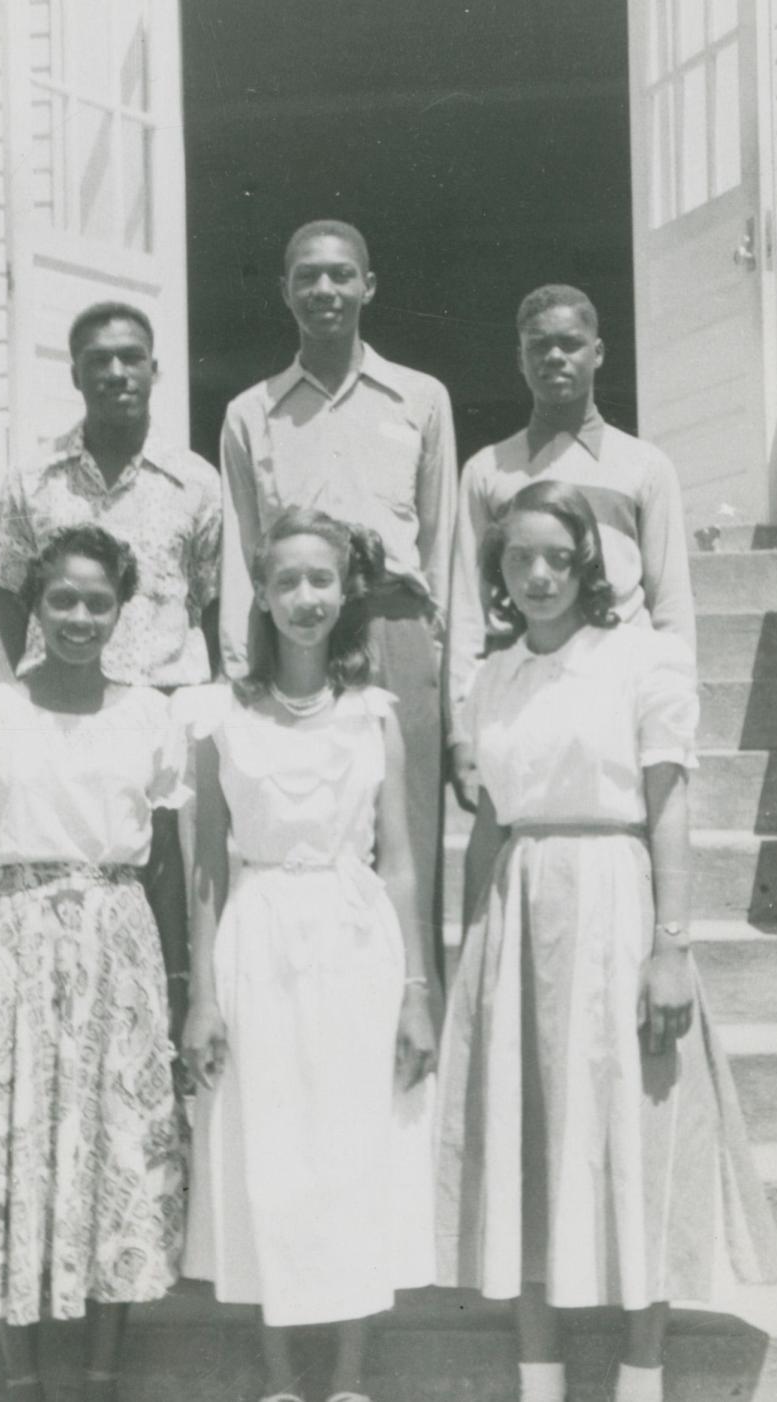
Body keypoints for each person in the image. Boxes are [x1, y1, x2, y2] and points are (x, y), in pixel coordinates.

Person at [435, 483, 777, 1402]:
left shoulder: (642, 661)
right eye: (519, 558)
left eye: (557, 555)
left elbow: (669, 807)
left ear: (588, 560)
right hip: (519, 911)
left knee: (639, 1127)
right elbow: (488, 825)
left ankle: (642, 1369)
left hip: (618, 899)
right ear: (498, 570)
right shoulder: (494, 677)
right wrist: (471, 946)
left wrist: (673, 946)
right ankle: (538, 1372)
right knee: (528, 1132)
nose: (539, 574)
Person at [0, 526, 191, 1402]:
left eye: (98, 601)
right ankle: (19, 1379)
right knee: (9, 1146)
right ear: (33, 603)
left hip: (122, 943)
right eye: (62, 597)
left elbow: (168, 865)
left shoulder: (149, 714)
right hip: (17, 946)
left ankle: (101, 1375)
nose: (79, 616)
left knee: (118, 1153)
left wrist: (174, 987)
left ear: (120, 609)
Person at [179, 507, 437, 1402]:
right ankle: (284, 1381)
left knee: (351, 1152)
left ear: (344, 593)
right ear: (263, 594)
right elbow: (207, 866)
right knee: (271, 1154)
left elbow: (399, 860)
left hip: (355, 936)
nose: (304, 598)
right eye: (285, 581)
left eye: (320, 580)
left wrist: (414, 990)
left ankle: (353, 1379)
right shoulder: (218, 714)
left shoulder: (374, 715)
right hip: (258, 941)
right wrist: (203, 997)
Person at [219, 221, 458, 1023]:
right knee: (302, 833)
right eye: (309, 277)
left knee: (408, 840)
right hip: (297, 639)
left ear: (369, 286)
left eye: (342, 276)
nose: (326, 291)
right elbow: (238, 553)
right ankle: (313, 1023)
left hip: (395, 628)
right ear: (285, 290)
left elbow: (445, 541)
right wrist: (238, 672)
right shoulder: (251, 413)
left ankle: (412, 1022)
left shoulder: (421, 399)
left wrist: (454, 687)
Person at [447, 284, 696, 810]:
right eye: (539, 346)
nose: (555, 356)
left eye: (571, 343)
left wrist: (673, 711)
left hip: (618, 691)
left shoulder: (644, 466)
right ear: (520, 359)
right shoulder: (488, 471)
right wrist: (462, 730)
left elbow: (671, 606)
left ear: (598, 352)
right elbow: (468, 609)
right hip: (520, 690)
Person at [0, 301, 222, 688]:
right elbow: (7, 588)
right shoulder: (33, 479)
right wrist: (42, 678)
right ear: (76, 375)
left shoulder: (197, 481)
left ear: (153, 371)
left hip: (166, 704)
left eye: (131, 358)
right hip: (62, 705)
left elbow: (216, 600)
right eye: (99, 360)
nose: (116, 373)